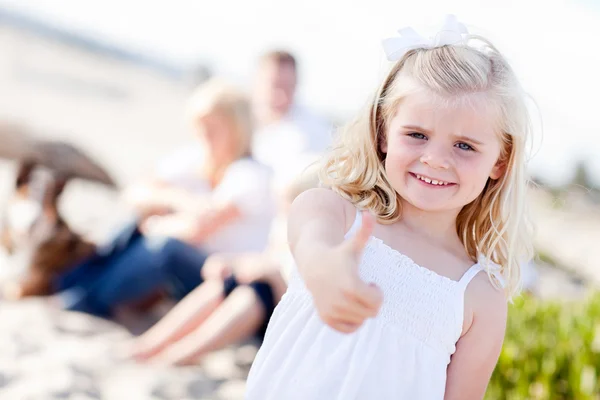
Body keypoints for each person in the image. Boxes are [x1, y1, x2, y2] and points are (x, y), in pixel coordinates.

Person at [245, 15, 533, 400]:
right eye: (417, 135)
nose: (434, 159)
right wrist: (323, 270)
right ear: (383, 133)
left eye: (464, 146)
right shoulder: (334, 212)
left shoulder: (480, 298)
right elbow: (312, 244)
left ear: (500, 161)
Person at [53, 78, 274, 318]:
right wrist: (177, 199)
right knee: (135, 223)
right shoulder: (198, 158)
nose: (203, 136)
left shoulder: (250, 175)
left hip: (222, 277)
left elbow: (197, 230)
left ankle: (90, 300)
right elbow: (135, 193)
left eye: (213, 129)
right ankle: (69, 284)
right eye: (200, 127)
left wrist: (158, 225)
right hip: (188, 262)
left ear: (237, 130)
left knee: (164, 246)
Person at [126, 165, 319, 365]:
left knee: (254, 293)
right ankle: (152, 344)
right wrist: (232, 262)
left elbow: (296, 306)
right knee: (224, 282)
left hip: (279, 315)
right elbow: (264, 260)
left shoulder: (316, 246)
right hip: (265, 296)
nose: (283, 212)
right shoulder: (282, 229)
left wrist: (271, 275)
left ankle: (180, 355)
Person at [251, 50, 332, 200]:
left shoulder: (313, 130)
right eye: (275, 85)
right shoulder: (239, 124)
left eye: (289, 87)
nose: (282, 95)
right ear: (257, 82)